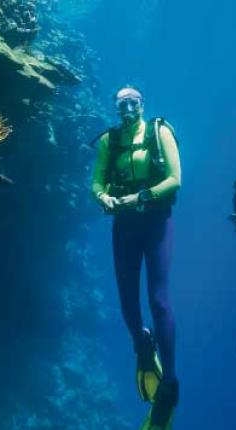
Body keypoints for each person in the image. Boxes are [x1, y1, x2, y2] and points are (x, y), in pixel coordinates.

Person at [91, 86, 181, 430]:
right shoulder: (108, 141)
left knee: (158, 301)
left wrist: (138, 197)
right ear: (116, 107)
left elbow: (175, 179)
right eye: (121, 103)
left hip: (156, 222)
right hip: (124, 228)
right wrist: (103, 197)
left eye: (133, 102)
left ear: (142, 104)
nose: (127, 107)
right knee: (128, 305)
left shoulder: (160, 131)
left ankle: (170, 384)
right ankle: (144, 349)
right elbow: (96, 181)